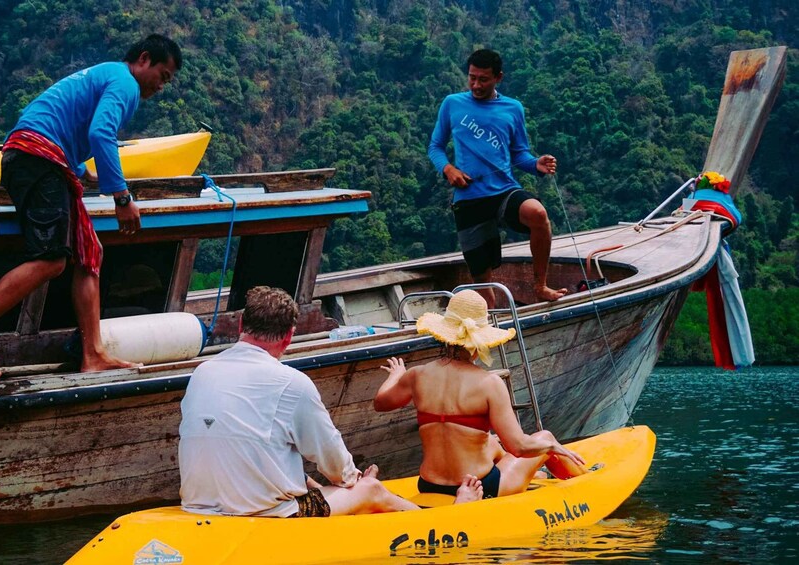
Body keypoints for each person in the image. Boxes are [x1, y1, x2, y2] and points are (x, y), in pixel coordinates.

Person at [0, 34, 181, 378]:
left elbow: (61, 123)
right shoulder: (125, 82)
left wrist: (85, 174)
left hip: (40, 157)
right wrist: (121, 197)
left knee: (89, 253)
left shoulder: (107, 74)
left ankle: (93, 353)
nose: (162, 87)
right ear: (144, 59)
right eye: (163, 76)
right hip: (37, 157)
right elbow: (101, 134)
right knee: (51, 260)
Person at [178, 286, 480, 517]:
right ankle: (454, 516)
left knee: (303, 475)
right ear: (289, 337)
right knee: (370, 489)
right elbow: (332, 459)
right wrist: (355, 482)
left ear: (241, 323)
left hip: (198, 507)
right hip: (267, 515)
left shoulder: (201, 373)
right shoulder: (291, 383)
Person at [373, 289, 587, 501]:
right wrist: (551, 446)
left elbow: (380, 403)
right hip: (481, 487)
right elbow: (519, 446)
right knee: (545, 437)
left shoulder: (417, 375)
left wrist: (396, 375)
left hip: (429, 484)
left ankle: (536, 476)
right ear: (480, 343)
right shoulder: (489, 383)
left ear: (445, 337)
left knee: (491, 442)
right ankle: (588, 483)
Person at [427, 48, 565, 307]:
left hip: (503, 191)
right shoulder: (452, 104)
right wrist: (448, 169)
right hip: (469, 199)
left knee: (538, 215)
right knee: (485, 295)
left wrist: (536, 164)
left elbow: (519, 154)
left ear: (498, 78)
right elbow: (435, 146)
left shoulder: (513, 109)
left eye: (483, 79)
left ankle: (540, 286)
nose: (476, 85)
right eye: (472, 78)